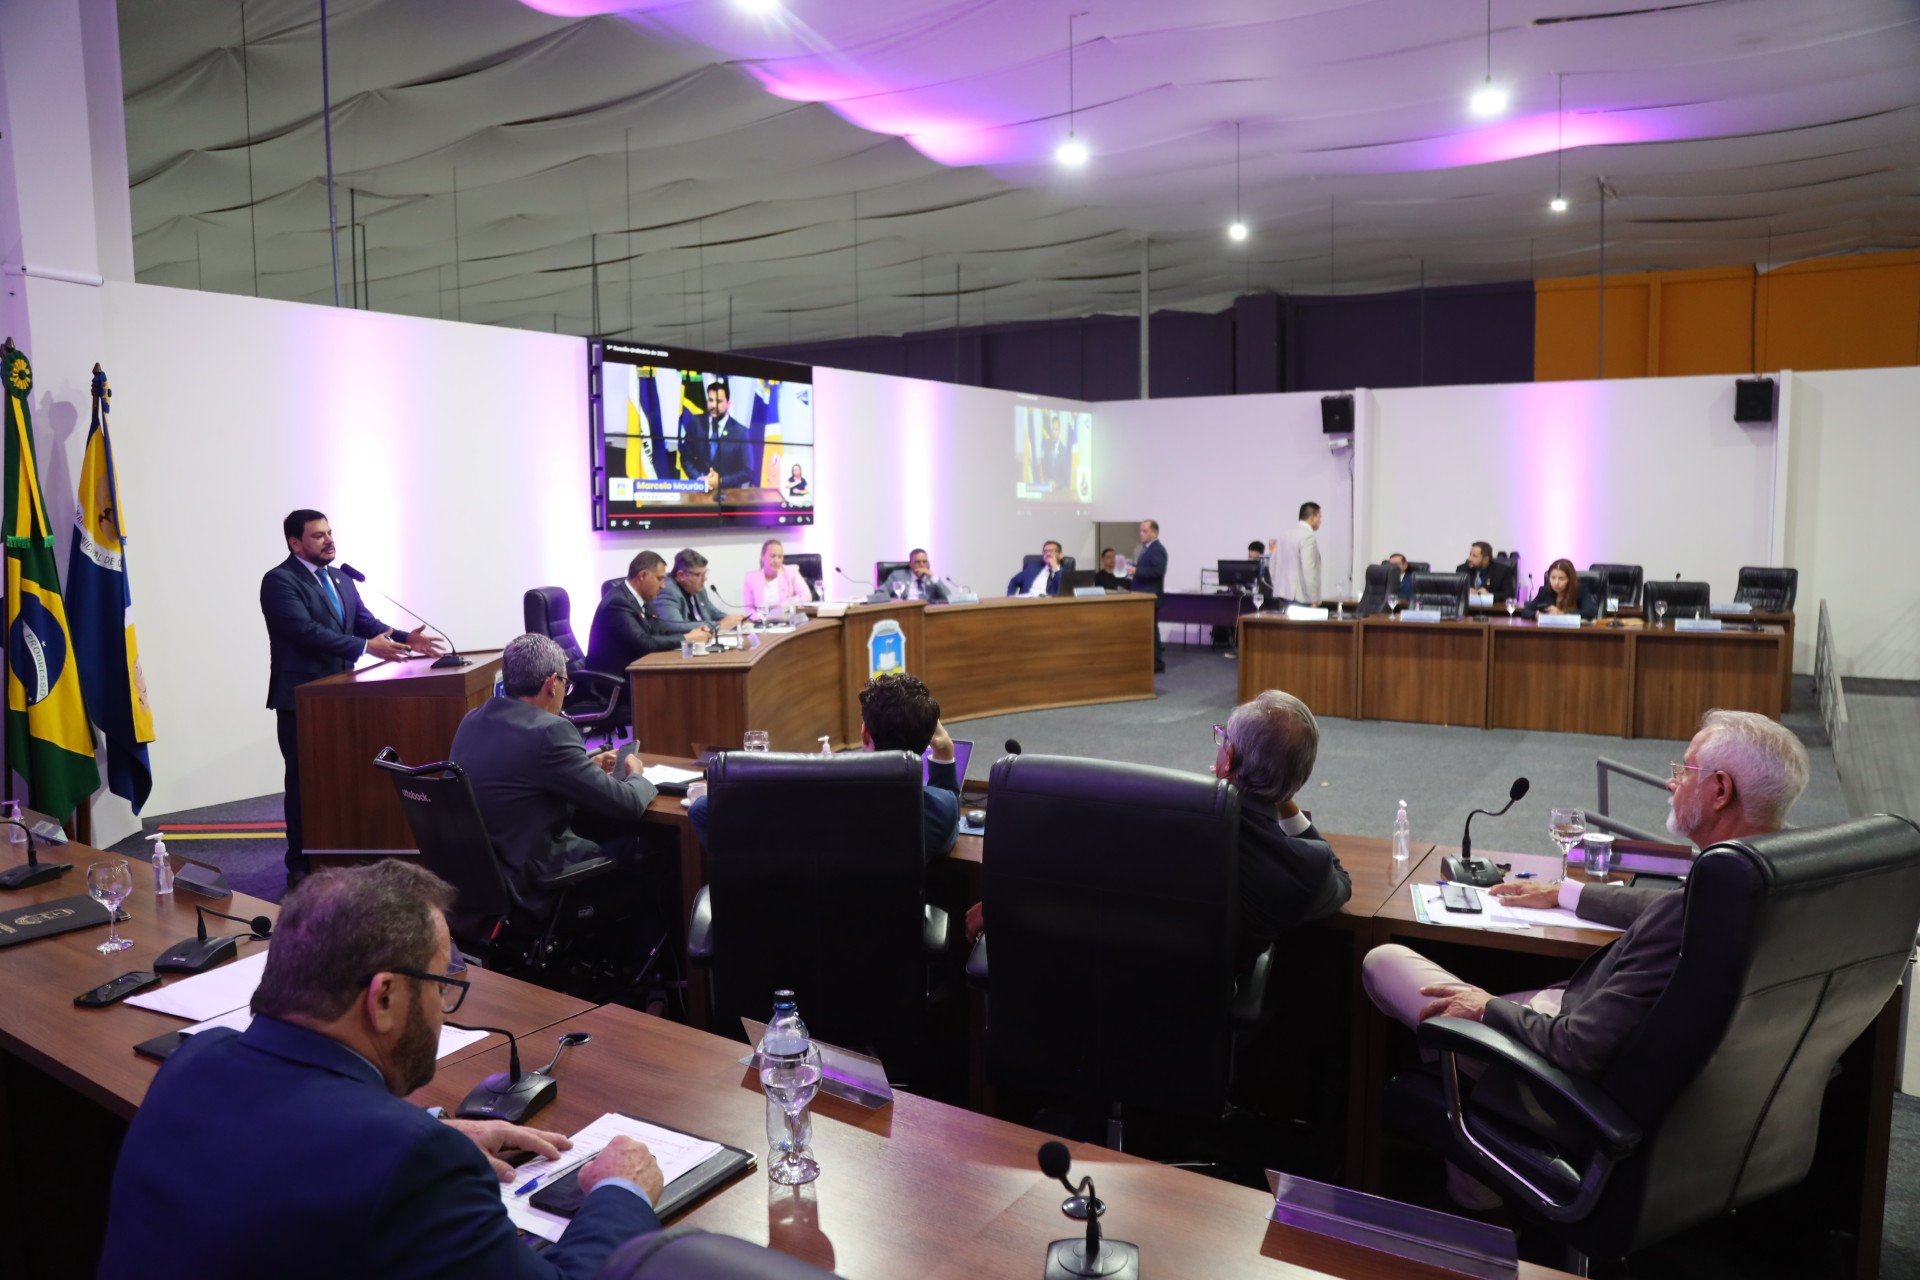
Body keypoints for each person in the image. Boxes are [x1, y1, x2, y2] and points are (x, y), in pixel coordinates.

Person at [98, 861, 664, 1279]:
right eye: (440, 987)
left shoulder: (192, 1061)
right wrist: (620, 1189)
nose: (443, 1011)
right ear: (385, 997)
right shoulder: (411, 1161)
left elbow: (292, 1150)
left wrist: (431, 1128)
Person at [1361, 709, 1810, 1205]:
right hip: (1700, 1112)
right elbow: (1665, 905)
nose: (1671, 781)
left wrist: (1484, 1007)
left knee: (1386, 963)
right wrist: (1565, 893)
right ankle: (1477, 1173)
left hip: (1572, 1081)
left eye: (1684, 770)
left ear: (1720, 790)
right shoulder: (1772, 882)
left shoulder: (1691, 913)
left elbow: (1576, 1047)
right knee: (1448, 1032)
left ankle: (1477, 1189)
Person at [262, 509, 444, 889]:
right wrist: (365, 647)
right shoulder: (280, 581)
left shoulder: (341, 578)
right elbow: (305, 631)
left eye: (329, 532)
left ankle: (343, 853)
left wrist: (406, 638)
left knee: (342, 778)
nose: (329, 540)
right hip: (302, 703)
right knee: (304, 783)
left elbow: (366, 622)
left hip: (343, 699)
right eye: (318, 535)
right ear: (295, 543)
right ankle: (300, 864)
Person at [452, 634, 664, 911]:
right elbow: (629, 804)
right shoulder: (550, 731)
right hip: (536, 884)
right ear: (552, 683)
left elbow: (522, 772)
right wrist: (636, 774)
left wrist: (585, 765)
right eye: (567, 684)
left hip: (485, 882)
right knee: (653, 846)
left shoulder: (471, 720)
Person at [689, 673, 961, 861]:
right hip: (883, 930)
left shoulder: (794, 796)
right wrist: (945, 753)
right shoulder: (936, 812)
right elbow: (949, 816)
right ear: (926, 741)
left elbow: (701, 811)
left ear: (865, 733)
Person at [1212, 691, 1352, 980]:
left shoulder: (1166, 813)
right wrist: (1282, 793)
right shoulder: (1303, 866)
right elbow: (1341, 882)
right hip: (1206, 998)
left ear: (1229, 757)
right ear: (1302, 779)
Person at [587, 550, 709, 677]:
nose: (663, 586)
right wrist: (687, 638)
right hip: (616, 680)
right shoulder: (618, 603)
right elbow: (644, 643)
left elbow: (662, 630)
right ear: (643, 575)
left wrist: (694, 633)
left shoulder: (644, 599)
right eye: (659, 579)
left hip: (638, 671)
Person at [654, 548, 745, 634]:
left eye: (705, 573)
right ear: (681, 575)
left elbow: (713, 612)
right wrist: (718, 625)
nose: (705, 579)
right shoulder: (667, 590)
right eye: (699, 575)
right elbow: (675, 627)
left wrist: (736, 620)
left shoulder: (697, 588)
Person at [1126, 519, 1168, 672]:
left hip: (1150, 597)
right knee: (1146, 630)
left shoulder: (1157, 549)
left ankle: (1157, 664)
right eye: (1140, 531)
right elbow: (1146, 568)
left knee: (1151, 631)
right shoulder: (1147, 548)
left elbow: (1158, 571)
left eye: (1144, 531)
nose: (1141, 534)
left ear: (1154, 532)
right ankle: (1149, 661)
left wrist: (1136, 571)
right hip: (1142, 596)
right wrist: (1133, 568)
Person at [701, 379, 757, 491]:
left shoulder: (741, 432)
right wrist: (698, 477)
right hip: (699, 493)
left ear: (729, 404)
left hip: (729, 496)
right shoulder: (697, 425)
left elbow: (748, 471)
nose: (713, 405)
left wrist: (721, 481)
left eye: (719, 401)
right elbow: (686, 458)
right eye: (711, 400)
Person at [741, 539, 813, 620]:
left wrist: (782, 606)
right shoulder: (751, 578)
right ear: (762, 556)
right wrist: (761, 619)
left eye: (780, 556)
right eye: (773, 556)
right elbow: (749, 609)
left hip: (787, 621)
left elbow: (807, 596)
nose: (777, 560)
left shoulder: (791, 572)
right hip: (761, 622)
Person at [1273, 502, 1322, 606]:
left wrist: (1278, 587)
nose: (1320, 521)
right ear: (1312, 518)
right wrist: (1314, 598)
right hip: (1301, 597)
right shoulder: (1308, 537)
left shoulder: (1285, 535)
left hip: (1284, 596)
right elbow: (1309, 569)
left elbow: (1272, 563)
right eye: (1319, 517)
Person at [1522, 557, 1597, 620]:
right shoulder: (1544, 591)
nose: (1556, 582)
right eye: (1553, 578)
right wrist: (1536, 615)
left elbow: (1591, 612)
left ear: (1570, 579)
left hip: (1573, 631)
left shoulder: (1580, 590)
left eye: (1561, 578)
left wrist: (1562, 613)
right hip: (1549, 630)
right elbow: (1526, 611)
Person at [883, 547, 949, 603]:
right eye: (918, 562)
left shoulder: (932, 579)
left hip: (927, 611)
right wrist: (893, 600)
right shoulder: (897, 576)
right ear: (910, 564)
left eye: (925, 562)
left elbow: (949, 598)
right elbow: (881, 594)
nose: (922, 565)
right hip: (905, 610)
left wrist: (933, 575)